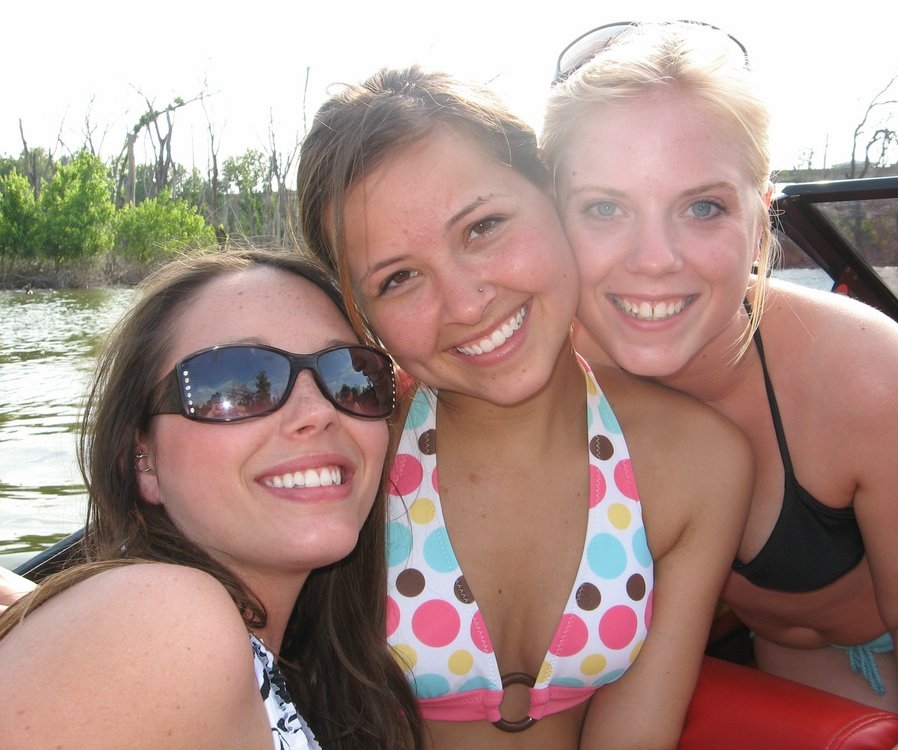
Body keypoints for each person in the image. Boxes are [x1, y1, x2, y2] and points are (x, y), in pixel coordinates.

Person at [541, 18, 898, 732]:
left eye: (703, 207)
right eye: (604, 207)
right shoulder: (541, 381)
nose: (654, 258)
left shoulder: (866, 375)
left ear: (760, 220)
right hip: (795, 648)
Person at [297, 66, 754, 749]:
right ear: (363, 317)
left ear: (554, 196)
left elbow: (636, 736)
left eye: (482, 228)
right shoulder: (348, 458)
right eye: (399, 278)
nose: (465, 304)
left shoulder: (696, 462)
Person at [0, 249, 422, 750]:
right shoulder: (161, 623)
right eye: (239, 385)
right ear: (143, 461)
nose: (318, 411)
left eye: (352, 376)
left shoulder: (304, 673)